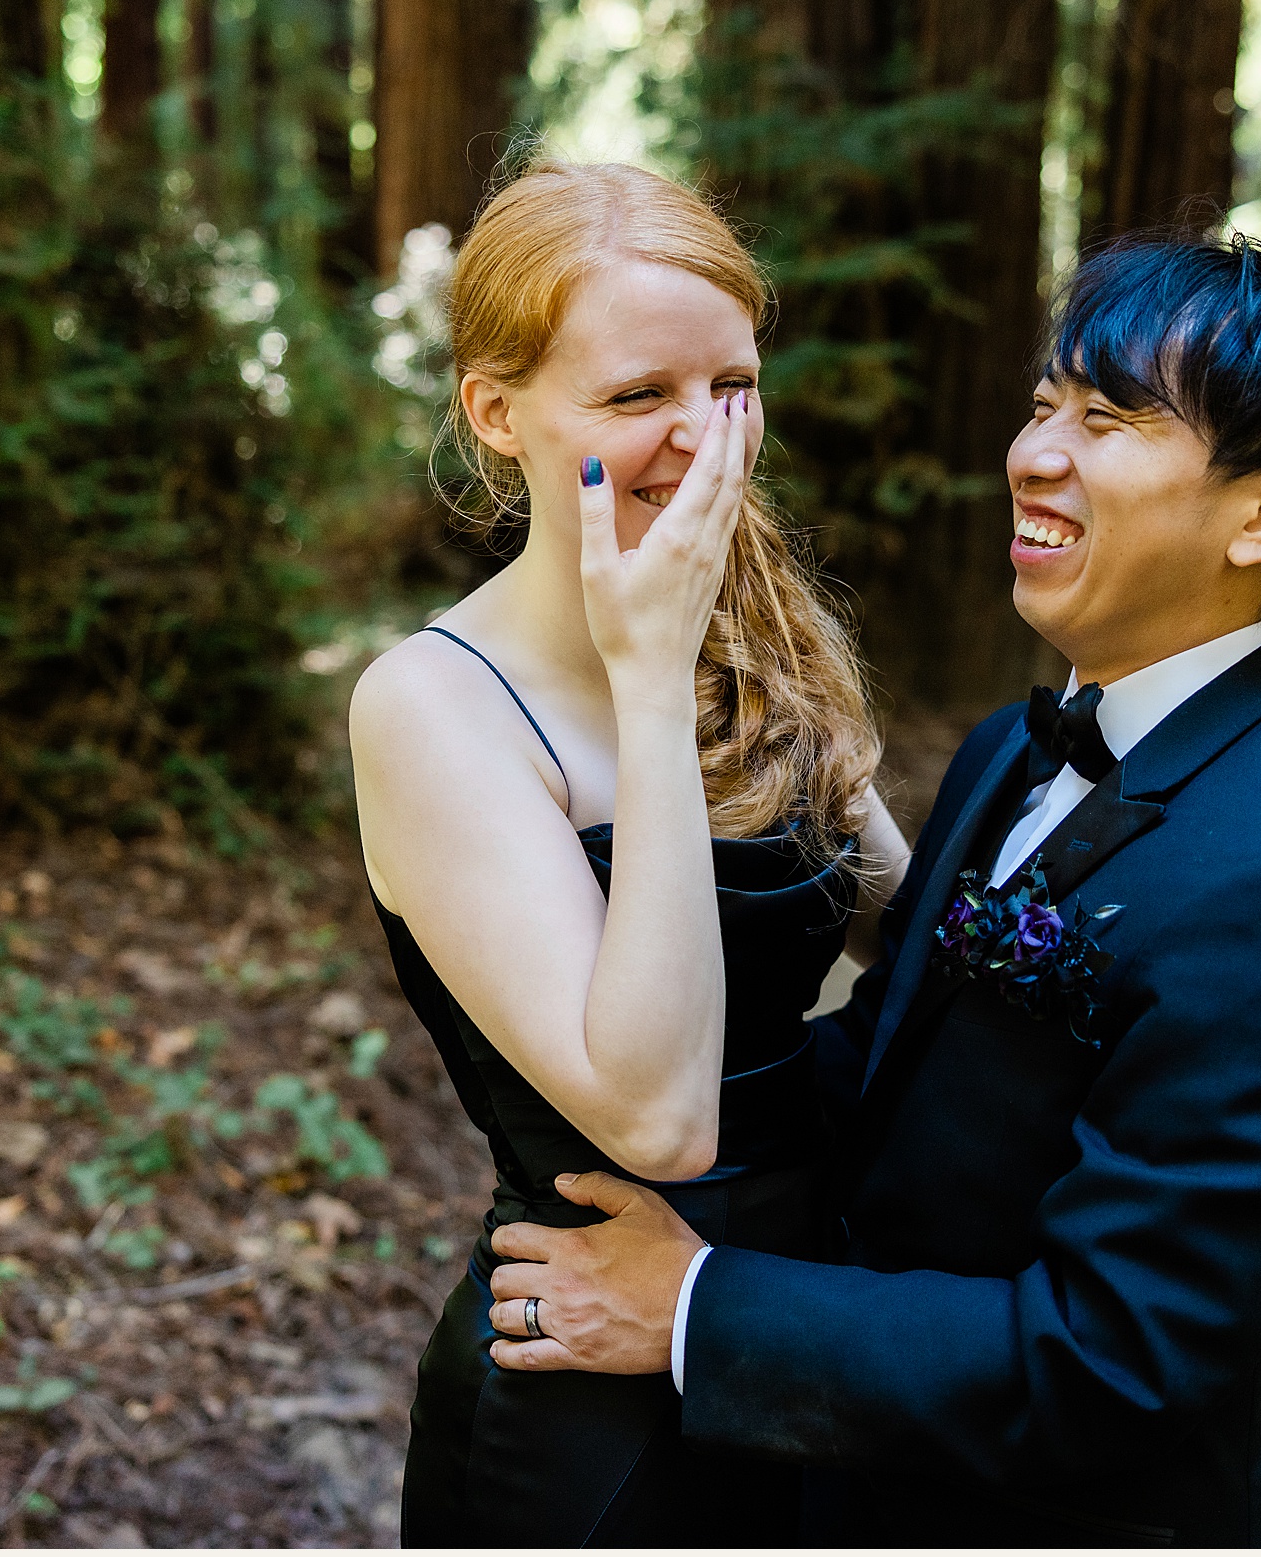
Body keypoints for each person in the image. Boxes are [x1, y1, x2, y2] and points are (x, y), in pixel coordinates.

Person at [481, 233, 1261, 1546]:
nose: (1037, 453)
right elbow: (888, 1065)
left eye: (1109, 420)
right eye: (1047, 403)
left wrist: (699, 1304)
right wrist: (621, 1137)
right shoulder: (1014, 746)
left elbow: (1117, 1359)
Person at [348, 159, 910, 1545]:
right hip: (592, 1401)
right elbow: (659, 1118)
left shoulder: (755, 633)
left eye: (733, 386)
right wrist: (651, 681)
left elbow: (917, 936)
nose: (704, 438)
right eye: (636, 396)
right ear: (497, 414)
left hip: (796, 1330)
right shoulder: (435, 706)